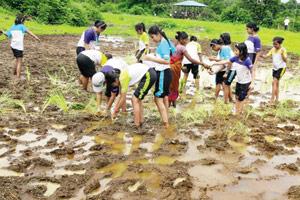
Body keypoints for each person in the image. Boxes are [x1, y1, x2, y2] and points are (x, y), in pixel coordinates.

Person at [143, 25, 175, 128]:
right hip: (165, 73)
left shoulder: (164, 43)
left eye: (152, 37)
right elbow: (171, 53)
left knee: (157, 98)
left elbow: (166, 61)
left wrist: (150, 58)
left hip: (163, 73)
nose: (152, 40)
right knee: (164, 97)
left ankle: (166, 124)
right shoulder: (165, 41)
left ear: (158, 34)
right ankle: (166, 119)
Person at [212, 43, 253, 115]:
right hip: (239, 81)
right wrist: (214, 64)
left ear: (242, 51)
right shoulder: (235, 58)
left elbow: (253, 71)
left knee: (241, 98)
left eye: (236, 50)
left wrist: (252, 82)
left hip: (246, 82)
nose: (235, 52)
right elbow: (226, 61)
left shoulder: (247, 60)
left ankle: (238, 112)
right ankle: (237, 110)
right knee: (237, 96)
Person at [112, 63, 157, 128]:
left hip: (148, 75)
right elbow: (121, 96)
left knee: (134, 99)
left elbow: (122, 98)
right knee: (138, 99)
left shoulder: (122, 78)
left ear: (116, 80)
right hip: (148, 74)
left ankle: (137, 124)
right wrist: (118, 110)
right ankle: (140, 121)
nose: (113, 86)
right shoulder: (122, 76)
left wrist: (115, 111)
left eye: (113, 84)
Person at [169, 32, 206, 107]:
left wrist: (181, 66)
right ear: (182, 40)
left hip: (170, 67)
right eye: (186, 40)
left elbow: (171, 58)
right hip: (175, 69)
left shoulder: (174, 46)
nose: (187, 42)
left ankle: (171, 103)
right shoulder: (182, 48)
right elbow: (191, 59)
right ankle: (171, 103)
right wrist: (202, 63)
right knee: (175, 85)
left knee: (171, 85)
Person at [261, 37, 287, 104]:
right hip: (275, 68)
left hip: (281, 68)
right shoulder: (273, 49)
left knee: (274, 82)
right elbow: (267, 55)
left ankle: (272, 99)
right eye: (273, 44)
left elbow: (286, 60)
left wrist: (282, 55)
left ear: (280, 44)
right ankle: (277, 99)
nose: (274, 45)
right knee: (276, 84)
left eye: (276, 44)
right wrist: (262, 55)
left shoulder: (283, 50)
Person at [209, 35, 234, 102]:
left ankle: (226, 101)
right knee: (220, 83)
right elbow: (222, 60)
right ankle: (217, 98)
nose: (219, 40)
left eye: (220, 39)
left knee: (225, 85)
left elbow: (227, 61)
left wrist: (226, 72)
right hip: (223, 68)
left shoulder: (225, 48)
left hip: (228, 68)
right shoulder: (221, 50)